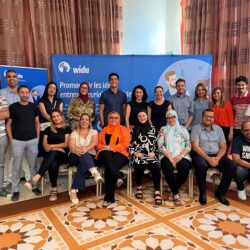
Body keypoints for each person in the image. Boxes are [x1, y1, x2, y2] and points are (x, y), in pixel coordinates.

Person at [191, 109, 236, 206]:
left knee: (231, 165)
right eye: (206, 116)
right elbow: (195, 147)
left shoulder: (218, 129)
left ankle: (220, 193)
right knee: (201, 166)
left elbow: (223, 146)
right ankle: (203, 193)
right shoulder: (196, 128)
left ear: (213, 118)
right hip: (201, 155)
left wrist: (217, 158)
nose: (208, 118)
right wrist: (208, 159)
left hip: (216, 155)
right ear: (202, 117)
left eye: (211, 117)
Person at [24, 110, 71, 201]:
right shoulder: (47, 130)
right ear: (51, 119)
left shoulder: (67, 128)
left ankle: (36, 177)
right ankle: (54, 188)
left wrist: (52, 147)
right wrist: (56, 148)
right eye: (54, 117)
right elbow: (45, 146)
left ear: (61, 116)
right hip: (51, 155)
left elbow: (66, 144)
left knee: (53, 154)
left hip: (63, 156)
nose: (56, 118)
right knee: (53, 162)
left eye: (58, 116)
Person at [6, 85, 41, 202]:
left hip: (32, 141)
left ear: (29, 94)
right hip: (17, 141)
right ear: (18, 94)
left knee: (33, 166)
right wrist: (11, 140)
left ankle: (34, 185)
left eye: (27, 92)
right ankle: (15, 190)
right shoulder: (13, 107)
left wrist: (37, 138)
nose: (25, 94)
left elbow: (37, 123)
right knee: (16, 167)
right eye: (22, 92)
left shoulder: (33, 107)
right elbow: (8, 125)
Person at [0, 70, 33, 187]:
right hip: (7, 130)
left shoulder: (25, 92)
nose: (11, 78)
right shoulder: (2, 93)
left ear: (18, 78)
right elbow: (4, 114)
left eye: (14, 76)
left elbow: (31, 112)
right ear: (6, 79)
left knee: (24, 156)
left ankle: (30, 178)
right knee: (9, 156)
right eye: (9, 77)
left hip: (24, 131)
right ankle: (8, 180)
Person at [158, 110, 191, 206]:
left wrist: (180, 156)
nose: (171, 119)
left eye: (173, 117)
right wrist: (171, 158)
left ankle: (173, 189)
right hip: (167, 155)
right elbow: (160, 146)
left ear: (176, 117)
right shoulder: (163, 129)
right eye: (168, 118)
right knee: (167, 168)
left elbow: (188, 145)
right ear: (166, 119)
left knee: (185, 168)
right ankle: (176, 193)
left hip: (181, 155)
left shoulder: (183, 129)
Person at [97, 111, 130, 207]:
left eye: (116, 117)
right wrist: (105, 147)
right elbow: (98, 145)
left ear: (119, 119)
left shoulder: (123, 129)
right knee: (106, 154)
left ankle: (109, 198)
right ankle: (118, 175)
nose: (113, 119)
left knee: (109, 168)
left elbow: (125, 144)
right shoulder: (104, 130)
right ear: (108, 119)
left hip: (120, 153)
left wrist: (112, 148)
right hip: (105, 154)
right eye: (111, 117)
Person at [68, 113, 103, 205]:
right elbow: (72, 148)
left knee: (84, 160)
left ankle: (73, 191)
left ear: (89, 121)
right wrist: (78, 150)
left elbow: (94, 143)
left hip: (90, 157)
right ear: (79, 122)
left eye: (86, 119)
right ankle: (94, 172)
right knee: (84, 157)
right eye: (82, 119)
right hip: (74, 156)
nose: (84, 121)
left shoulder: (94, 132)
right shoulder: (74, 133)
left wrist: (84, 149)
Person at [129, 110, 162, 205]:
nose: (142, 118)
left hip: (151, 155)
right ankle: (138, 187)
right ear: (137, 118)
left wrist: (154, 152)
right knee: (139, 167)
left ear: (147, 117)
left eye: (144, 116)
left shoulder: (153, 129)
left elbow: (158, 144)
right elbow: (130, 144)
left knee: (156, 167)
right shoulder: (134, 130)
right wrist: (135, 153)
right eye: (140, 116)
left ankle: (157, 191)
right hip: (138, 155)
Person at [231, 121, 250, 200]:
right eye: (246, 130)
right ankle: (240, 187)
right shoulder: (237, 140)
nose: (249, 132)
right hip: (243, 168)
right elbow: (236, 159)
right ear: (241, 131)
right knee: (237, 169)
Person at [0, 95, 10, 197]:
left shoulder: (2, 98)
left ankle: (0, 188)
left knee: (1, 164)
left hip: (1, 136)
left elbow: (6, 114)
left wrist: (3, 113)